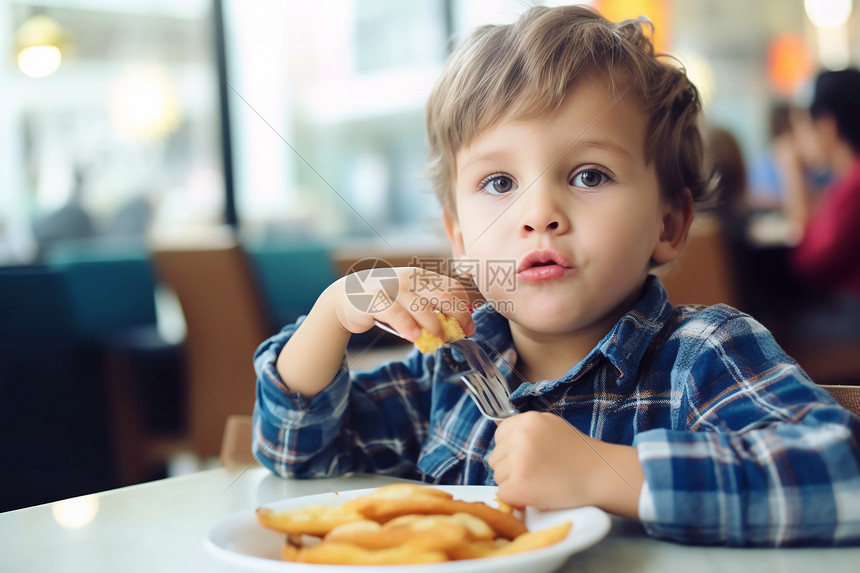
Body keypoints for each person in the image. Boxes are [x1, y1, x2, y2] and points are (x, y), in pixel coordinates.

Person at [253, 5, 860, 546]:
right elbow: (298, 454)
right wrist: (335, 310)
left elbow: (839, 477)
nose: (538, 214)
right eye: (499, 184)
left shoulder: (702, 355)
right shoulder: (452, 371)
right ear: (460, 238)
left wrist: (604, 470)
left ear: (669, 223)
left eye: (589, 175)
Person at [778, 69, 860, 293]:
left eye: (803, 127)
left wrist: (792, 172)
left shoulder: (854, 185)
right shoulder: (847, 182)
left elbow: (810, 262)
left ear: (826, 126)